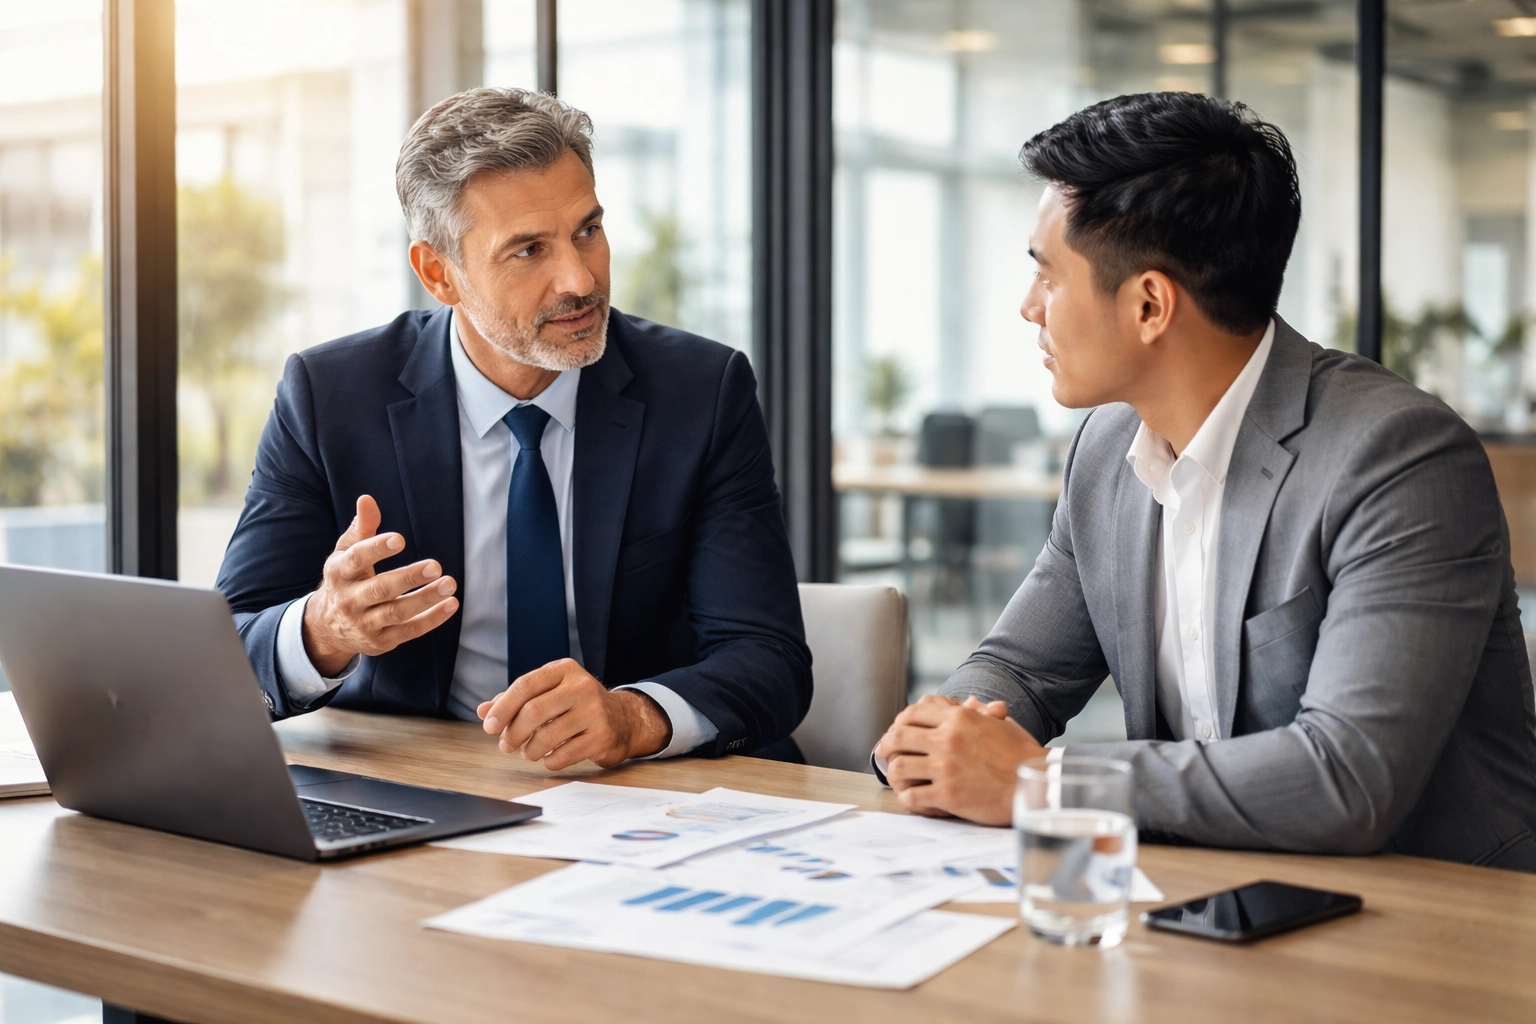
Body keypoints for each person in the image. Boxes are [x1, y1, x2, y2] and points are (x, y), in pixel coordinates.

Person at [874, 92, 1536, 869]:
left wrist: (1043, 783)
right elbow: (1022, 667)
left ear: (1150, 304)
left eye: (1048, 278)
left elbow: (1350, 777)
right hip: (1204, 888)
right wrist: (942, 738)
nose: (1029, 309)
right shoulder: (1106, 448)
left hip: (1434, 916)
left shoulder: (1397, 457)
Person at [217, 88, 811, 769]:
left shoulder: (701, 392)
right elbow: (227, 647)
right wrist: (326, 629)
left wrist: (634, 716)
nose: (579, 279)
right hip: (423, 782)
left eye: (588, 229)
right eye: (528, 250)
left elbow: (768, 659)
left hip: (639, 793)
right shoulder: (330, 397)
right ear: (439, 273)